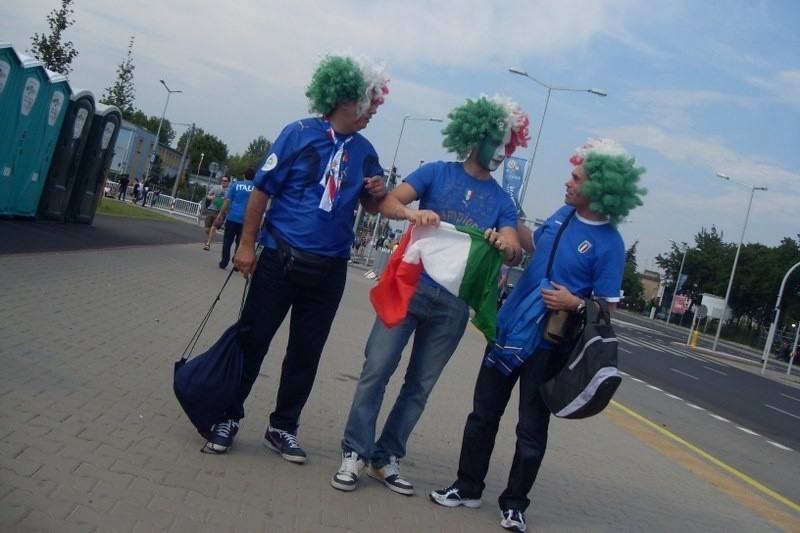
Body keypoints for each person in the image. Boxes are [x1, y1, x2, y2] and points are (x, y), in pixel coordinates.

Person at [429, 138, 646, 533]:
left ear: (598, 188)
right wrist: (506, 230)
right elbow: (534, 243)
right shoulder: (563, 214)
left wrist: (573, 302)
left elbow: (607, 311)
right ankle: (468, 486)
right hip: (510, 329)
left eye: (576, 178)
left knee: (531, 429)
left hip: (549, 346)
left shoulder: (610, 244)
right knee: (482, 415)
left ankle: (514, 505)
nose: (568, 181)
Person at [331, 94, 529, 496]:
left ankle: (385, 457)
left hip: (455, 304)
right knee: (377, 368)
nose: (500, 151)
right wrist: (411, 213)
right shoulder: (436, 172)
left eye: (506, 144)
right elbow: (386, 202)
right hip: (410, 286)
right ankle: (355, 451)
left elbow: (514, 246)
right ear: (475, 137)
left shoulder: (503, 201)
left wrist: (504, 244)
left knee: (420, 386)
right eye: (495, 140)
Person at [201, 53, 391, 459]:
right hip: (279, 259)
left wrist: (376, 193)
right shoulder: (298, 133)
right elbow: (261, 190)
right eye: (369, 101)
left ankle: (283, 426)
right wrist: (247, 245)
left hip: (330, 268)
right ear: (345, 99)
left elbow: (371, 207)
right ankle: (227, 416)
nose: (374, 110)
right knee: (253, 340)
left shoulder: (366, 151)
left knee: (306, 353)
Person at [216, 169, 255, 269]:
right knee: (240, 242)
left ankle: (224, 261)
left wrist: (220, 214)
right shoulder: (255, 188)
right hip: (246, 221)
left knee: (227, 241)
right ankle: (236, 263)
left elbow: (228, 200)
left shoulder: (236, 185)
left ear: (244, 175)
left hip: (232, 217)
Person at [203, 176, 230, 251]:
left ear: (228, 182)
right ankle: (209, 239)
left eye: (225, 180)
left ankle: (208, 245)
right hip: (211, 209)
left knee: (213, 228)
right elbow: (208, 196)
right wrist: (211, 197)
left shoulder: (229, 191)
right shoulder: (216, 187)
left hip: (220, 212)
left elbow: (231, 201)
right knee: (207, 229)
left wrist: (228, 209)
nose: (223, 182)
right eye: (222, 180)